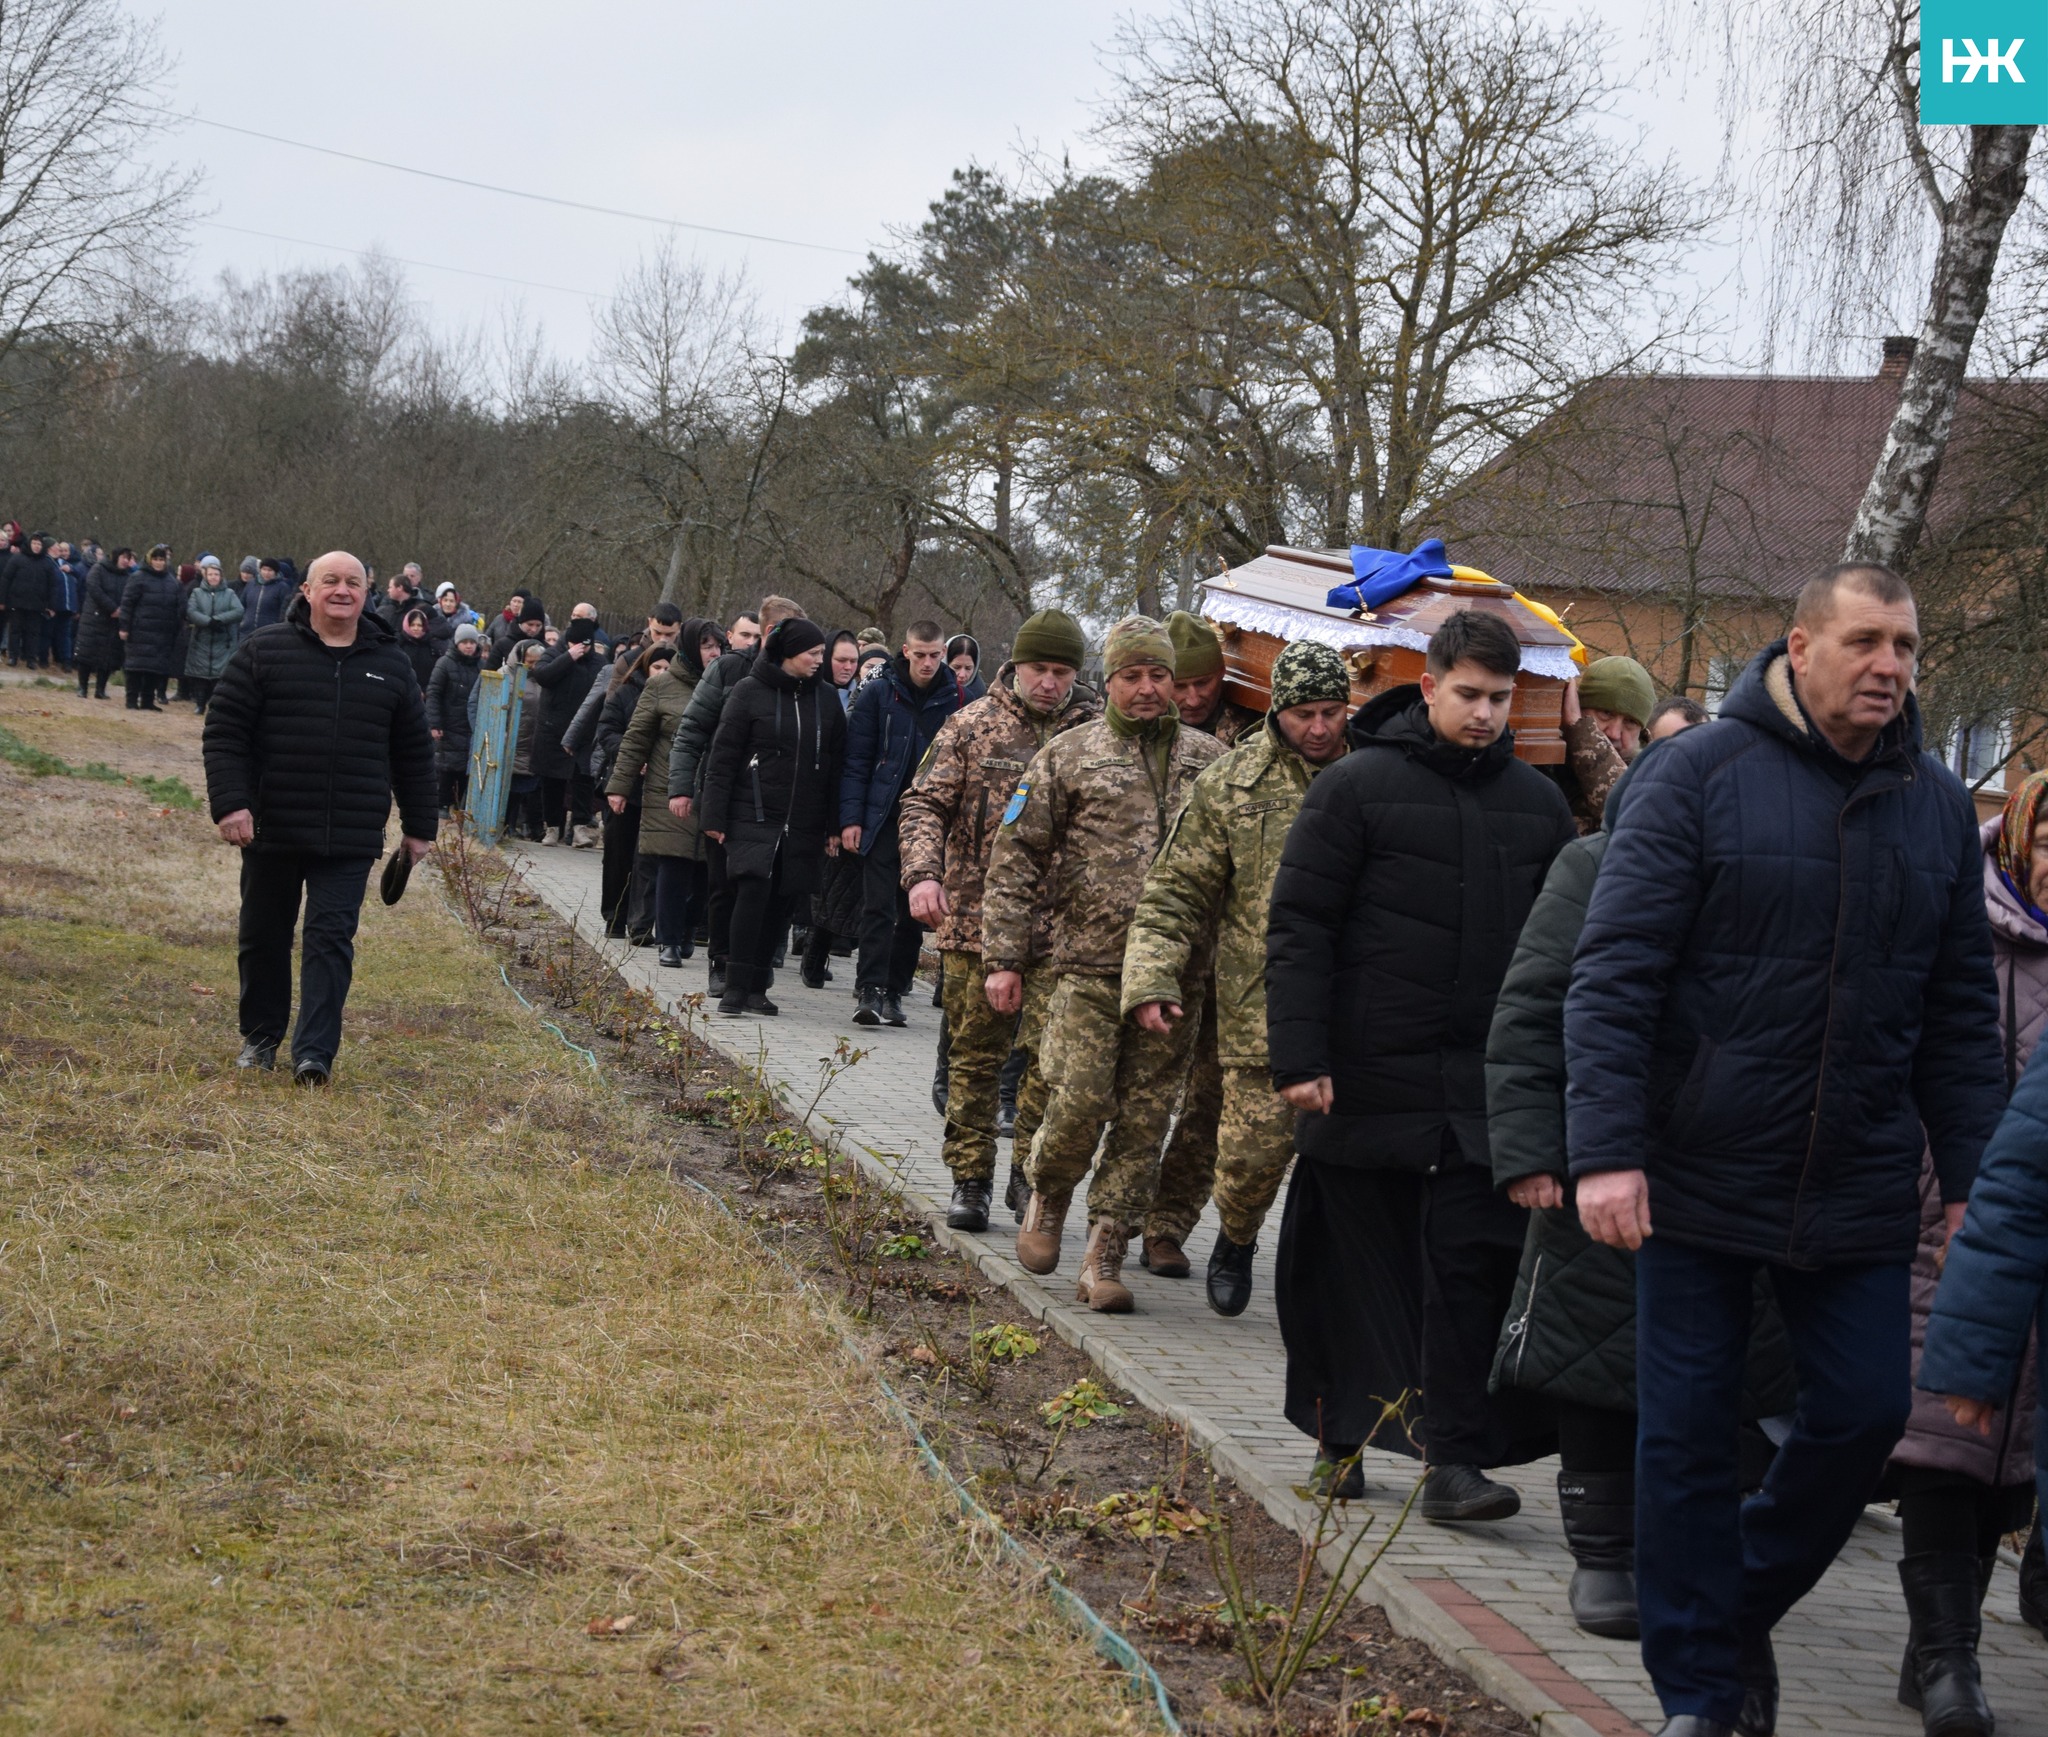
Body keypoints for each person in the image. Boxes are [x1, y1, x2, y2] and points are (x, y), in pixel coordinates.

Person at [1566, 563, 2003, 1737]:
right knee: (1689, 1439)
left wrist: (1969, 1187)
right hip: (1696, 1169)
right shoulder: (1695, 775)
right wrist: (1604, 1150)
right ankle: (1701, 1698)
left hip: (1856, 1178)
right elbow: (1613, 975)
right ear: (1798, 647)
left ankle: (1724, 1606)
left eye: (1905, 648)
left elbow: (1959, 1019)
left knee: (1864, 1418)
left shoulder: (1933, 805)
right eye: (1865, 641)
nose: (1889, 668)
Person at [1485, 709, 1799, 1644]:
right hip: (1609, 1144)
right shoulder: (1593, 864)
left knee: (1736, 1365)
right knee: (1596, 1354)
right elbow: (1535, 1005)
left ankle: (1697, 1548)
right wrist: (1535, 1147)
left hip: (1743, 1156)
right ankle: (1603, 1553)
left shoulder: (1772, 875)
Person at [1265, 609, 1574, 1512]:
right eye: (1468, 694)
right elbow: (1300, 927)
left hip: (1480, 1089)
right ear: (1429, 685)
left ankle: (1452, 1458)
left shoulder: (1538, 803)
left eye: (1500, 697)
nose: (1484, 713)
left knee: (1468, 1272)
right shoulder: (1354, 788)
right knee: (1348, 1266)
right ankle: (1337, 1436)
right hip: (1363, 1077)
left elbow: (1559, 954)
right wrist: (1301, 1055)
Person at [1873, 768, 2048, 1737]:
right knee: (1944, 1441)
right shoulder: (1957, 930)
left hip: (2031, 1242)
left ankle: (1948, 1636)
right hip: (1940, 1223)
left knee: (2009, 1460)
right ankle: (1943, 1654)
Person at [983, 616, 1225, 1313]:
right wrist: (1004, 956)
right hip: (1086, 967)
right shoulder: (1068, 756)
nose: (1148, 689)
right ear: (1109, 681)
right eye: (1132, 676)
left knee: (1146, 1119)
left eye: (1159, 676)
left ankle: (1104, 1255)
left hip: (1178, 976)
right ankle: (1049, 1193)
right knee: (1082, 1099)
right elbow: (1015, 857)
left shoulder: (1210, 762)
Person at [1122, 639, 1353, 1315]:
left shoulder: (1376, 776)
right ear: (1277, 709)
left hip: (1360, 1001)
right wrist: (1153, 977)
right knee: (1252, 1153)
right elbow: (1175, 891)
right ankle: (1238, 1233)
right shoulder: (1231, 784)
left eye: (1332, 711)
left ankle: (1337, 1280)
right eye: (1304, 713)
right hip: (1262, 1003)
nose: (1318, 727)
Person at [200, 552, 437, 1085]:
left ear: (366, 593)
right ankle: (259, 1038)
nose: (341, 590)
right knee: (264, 934)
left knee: (330, 941)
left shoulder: (392, 663)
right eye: (329, 581)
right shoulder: (263, 651)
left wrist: (421, 826)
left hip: (350, 834)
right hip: (273, 827)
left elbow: (414, 753)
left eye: (353, 582)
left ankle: (314, 1054)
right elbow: (225, 734)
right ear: (307, 590)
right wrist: (232, 803)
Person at [900, 609, 1099, 1230]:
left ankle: (1027, 1172)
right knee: (974, 1059)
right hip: (975, 923)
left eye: (1062, 672)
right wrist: (923, 874)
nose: (1049, 683)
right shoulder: (971, 727)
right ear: (1016, 666)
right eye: (1039, 669)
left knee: (1048, 1063)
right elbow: (923, 803)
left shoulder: (1092, 738)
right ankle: (970, 1178)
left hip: (1059, 933)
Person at [1138, 609, 1267, 1280]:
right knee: (1143, 1093)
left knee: (1208, 1101)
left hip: (1233, 955)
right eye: (1180, 685)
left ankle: (1167, 1226)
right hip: (1159, 946)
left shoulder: (1253, 734)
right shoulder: (1143, 734)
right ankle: (1112, 1210)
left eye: (1206, 683)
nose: (1191, 698)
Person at [697, 617, 846, 1018]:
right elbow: (722, 757)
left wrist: (833, 824)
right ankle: (735, 983)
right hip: (752, 811)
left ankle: (759, 986)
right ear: (788, 654)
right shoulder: (749, 691)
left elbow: (836, 766)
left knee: (782, 901)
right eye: (813, 653)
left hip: (803, 819)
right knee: (751, 893)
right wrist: (714, 815)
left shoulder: (827, 700)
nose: (821, 660)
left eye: (821, 653)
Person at [667, 596, 804, 996]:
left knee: (773, 890)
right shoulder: (729, 670)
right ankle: (722, 962)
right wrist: (681, 788)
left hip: (776, 804)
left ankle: (756, 963)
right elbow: (692, 729)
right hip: (726, 795)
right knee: (725, 886)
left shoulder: (803, 681)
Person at [840, 620, 962, 1028]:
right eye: (921, 655)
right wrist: (851, 818)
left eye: (936, 655)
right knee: (877, 906)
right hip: (885, 813)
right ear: (906, 652)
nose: (928, 663)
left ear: (943, 653)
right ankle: (869, 988)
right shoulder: (879, 693)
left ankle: (895, 989)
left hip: (933, 821)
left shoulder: (957, 699)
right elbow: (856, 760)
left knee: (916, 912)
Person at [608, 633, 708, 961]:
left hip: (709, 788)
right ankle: (667, 939)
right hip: (666, 787)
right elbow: (636, 738)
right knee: (671, 863)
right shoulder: (661, 687)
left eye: (717, 646)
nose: (713, 652)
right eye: (706, 645)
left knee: (703, 871)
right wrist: (620, 785)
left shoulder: (725, 684)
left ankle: (689, 927)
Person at [1557, 655, 1655, 836]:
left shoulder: (1653, 777)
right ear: (1577, 706)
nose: (1614, 733)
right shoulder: (1550, 765)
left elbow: (1633, 821)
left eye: (1630, 722)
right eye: (1606, 713)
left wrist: (1581, 731)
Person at [530, 616, 604, 845]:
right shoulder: (554, 654)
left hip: (585, 731)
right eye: (575, 645)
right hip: (553, 729)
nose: (581, 649)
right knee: (552, 782)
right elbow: (542, 676)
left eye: (585, 645)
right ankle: (552, 827)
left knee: (583, 781)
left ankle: (580, 827)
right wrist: (568, 658)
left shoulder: (599, 663)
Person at [1165, 610, 1263, 744]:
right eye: (1179, 686)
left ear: (1221, 672)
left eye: (1202, 683)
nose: (1193, 701)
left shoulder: (1255, 726)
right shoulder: (1145, 727)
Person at [118, 545, 186, 711]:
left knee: (154, 669)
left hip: (162, 632)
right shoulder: (137, 578)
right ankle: (131, 700)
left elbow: (181, 607)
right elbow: (127, 604)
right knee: (135, 668)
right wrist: (124, 627)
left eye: (161, 559)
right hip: (139, 630)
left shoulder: (173, 583)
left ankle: (148, 701)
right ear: (149, 560)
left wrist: (177, 627)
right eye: (155, 559)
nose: (158, 562)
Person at [425, 624, 484, 813]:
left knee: (466, 767)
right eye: (465, 642)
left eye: (472, 642)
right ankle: (442, 803)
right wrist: (434, 723)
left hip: (470, 724)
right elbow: (433, 693)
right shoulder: (445, 663)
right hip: (449, 724)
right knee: (447, 767)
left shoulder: (481, 666)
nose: (468, 646)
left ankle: (460, 805)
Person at [183, 558, 245, 713]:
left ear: (221, 576)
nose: (213, 577)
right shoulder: (197, 593)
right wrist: (208, 622)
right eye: (210, 574)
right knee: (200, 676)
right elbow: (191, 612)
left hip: (223, 641)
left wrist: (219, 620)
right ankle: (200, 704)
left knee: (220, 677)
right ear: (205, 576)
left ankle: (215, 705)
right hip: (201, 640)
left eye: (216, 574)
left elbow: (238, 611)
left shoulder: (229, 593)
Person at [73, 546, 131, 699]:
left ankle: (100, 689)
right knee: (86, 654)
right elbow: (94, 589)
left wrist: (121, 611)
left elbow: (128, 597)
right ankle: (82, 687)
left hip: (113, 622)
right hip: (94, 618)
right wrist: (112, 608)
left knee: (108, 657)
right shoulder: (98, 569)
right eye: (124, 557)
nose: (126, 561)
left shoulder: (127, 577)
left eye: (128, 558)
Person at [3, 531, 58, 668]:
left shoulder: (47, 563)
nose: (36, 546)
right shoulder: (17, 559)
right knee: (15, 630)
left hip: (37, 604)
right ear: (29, 544)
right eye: (34, 543)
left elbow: (53, 586)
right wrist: (2, 600)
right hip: (16, 601)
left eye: (39, 544)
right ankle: (13, 657)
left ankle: (31, 659)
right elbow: (6, 580)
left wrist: (51, 605)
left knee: (33, 633)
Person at [395, 607, 439, 693]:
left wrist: (425, 691)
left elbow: (436, 674)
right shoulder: (399, 644)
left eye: (419, 625)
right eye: (412, 625)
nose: (416, 628)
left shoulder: (432, 645)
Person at [244, 558, 295, 633]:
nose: (266, 573)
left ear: (275, 572)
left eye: (270, 570)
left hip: (269, 631)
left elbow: (285, 610)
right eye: (264, 569)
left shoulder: (282, 587)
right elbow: (242, 604)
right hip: (247, 630)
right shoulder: (251, 584)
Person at [946, 633, 986, 701]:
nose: (962, 675)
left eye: (968, 668)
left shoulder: (983, 698)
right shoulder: (928, 691)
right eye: (956, 667)